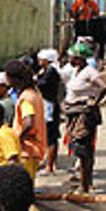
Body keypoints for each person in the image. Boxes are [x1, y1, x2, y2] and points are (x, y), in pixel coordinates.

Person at [59, 42, 106, 192]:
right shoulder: (76, 71)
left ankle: (85, 183)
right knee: (79, 149)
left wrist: (95, 101)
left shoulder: (89, 72)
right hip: (74, 111)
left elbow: (103, 86)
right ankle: (85, 181)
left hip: (84, 114)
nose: (69, 60)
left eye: (72, 58)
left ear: (79, 59)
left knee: (83, 149)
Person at [4, 59, 46, 180]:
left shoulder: (26, 98)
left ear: (15, 79)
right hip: (33, 150)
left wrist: (17, 140)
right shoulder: (34, 93)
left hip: (27, 151)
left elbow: (28, 123)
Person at [36, 48, 62, 176]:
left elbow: (42, 83)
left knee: (50, 136)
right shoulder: (47, 70)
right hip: (46, 103)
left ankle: (50, 166)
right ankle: (50, 162)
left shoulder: (51, 71)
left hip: (49, 105)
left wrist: (35, 79)